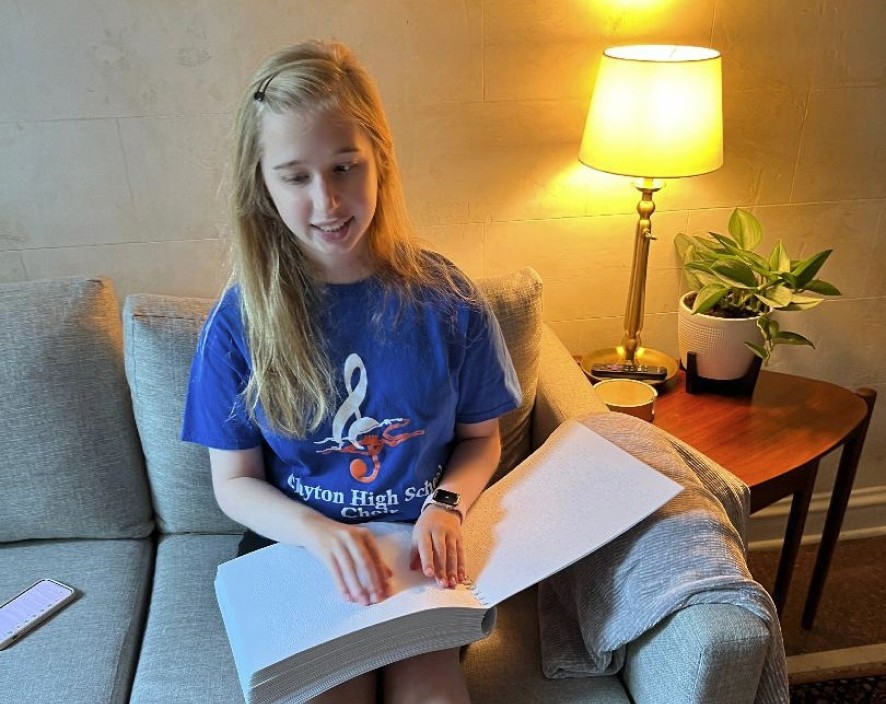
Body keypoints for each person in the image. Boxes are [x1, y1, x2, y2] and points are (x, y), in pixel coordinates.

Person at [181, 40, 521, 703]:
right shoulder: (240, 321)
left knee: (436, 696)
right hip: (299, 549)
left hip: (419, 550)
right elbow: (235, 484)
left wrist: (446, 506)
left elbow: (483, 439)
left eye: (344, 167)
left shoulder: (447, 300)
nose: (327, 201)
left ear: (380, 161)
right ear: (262, 183)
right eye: (296, 176)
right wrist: (318, 532)